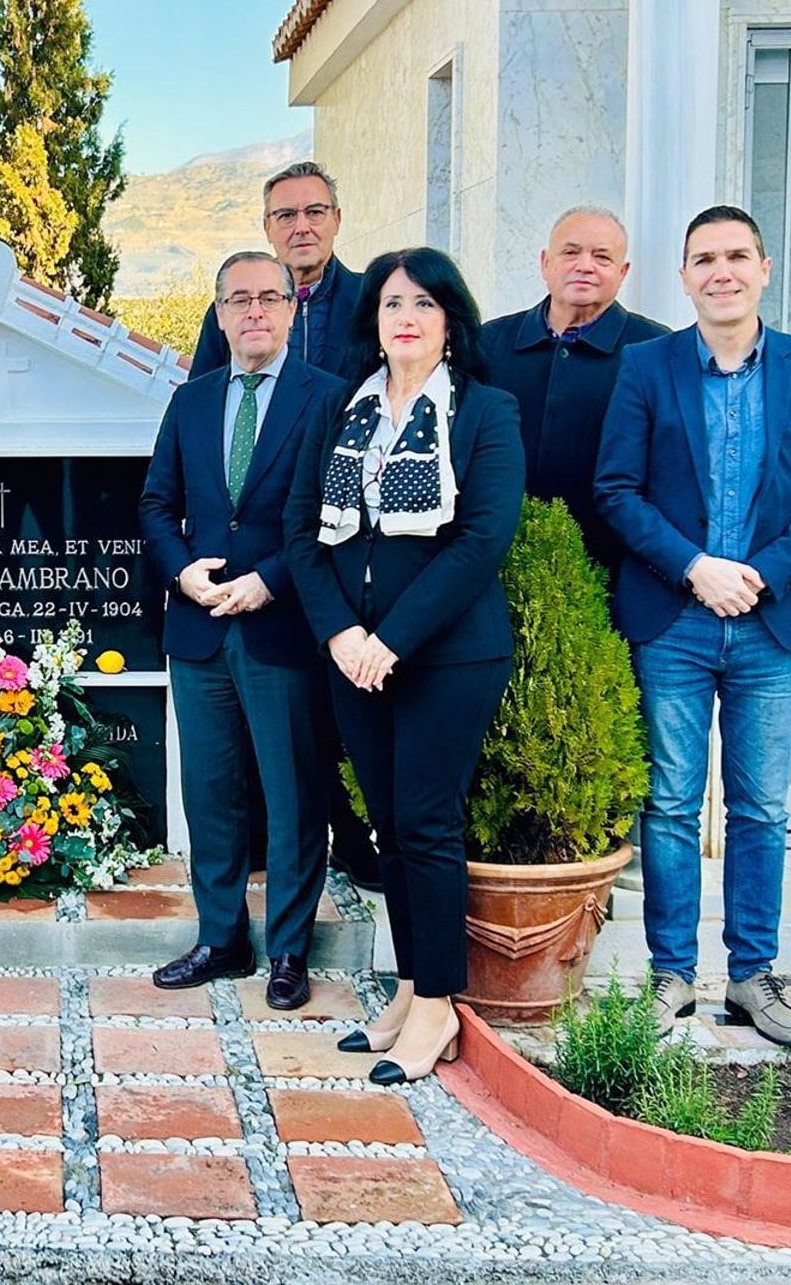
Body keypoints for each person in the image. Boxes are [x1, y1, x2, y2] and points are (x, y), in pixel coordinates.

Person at [594, 206, 791, 1046]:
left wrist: (763, 573)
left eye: (737, 255)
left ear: (765, 266)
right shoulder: (646, 367)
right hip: (673, 617)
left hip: (770, 623)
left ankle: (752, 977)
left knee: (760, 809)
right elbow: (617, 489)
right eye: (703, 258)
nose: (721, 271)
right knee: (669, 804)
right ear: (683, 276)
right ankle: (671, 975)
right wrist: (695, 567)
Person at [283, 247, 524, 1084]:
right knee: (386, 828)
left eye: (423, 303)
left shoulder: (485, 412)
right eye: (391, 304)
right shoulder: (341, 412)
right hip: (354, 656)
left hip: (448, 655)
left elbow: (483, 539)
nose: (406, 317)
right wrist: (342, 635)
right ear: (373, 322)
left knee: (426, 825)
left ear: (450, 318)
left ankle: (439, 1009)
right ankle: (412, 989)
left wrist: (393, 640)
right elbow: (303, 535)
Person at [140, 251, 340, 1010]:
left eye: (268, 298)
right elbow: (157, 505)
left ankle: (289, 950)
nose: (253, 312)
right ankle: (221, 938)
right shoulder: (190, 401)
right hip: (197, 631)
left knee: (292, 798)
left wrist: (268, 581)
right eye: (238, 300)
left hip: (281, 625)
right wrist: (183, 572)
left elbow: (334, 513)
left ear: (292, 311)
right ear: (218, 315)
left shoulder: (325, 399)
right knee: (212, 792)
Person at [189, 161, 380, 890]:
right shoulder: (238, 306)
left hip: (347, 544)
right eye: (285, 215)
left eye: (315, 212)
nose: (301, 226)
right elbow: (207, 406)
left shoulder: (370, 301)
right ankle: (285, 853)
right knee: (280, 724)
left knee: (341, 710)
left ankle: (358, 847)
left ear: (336, 219)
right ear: (268, 225)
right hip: (261, 557)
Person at [481, 206, 668, 577]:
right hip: (497, 563)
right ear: (546, 263)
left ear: (622, 272)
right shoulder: (488, 343)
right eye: (570, 252)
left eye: (602, 256)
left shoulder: (656, 350)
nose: (585, 265)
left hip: (614, 572)